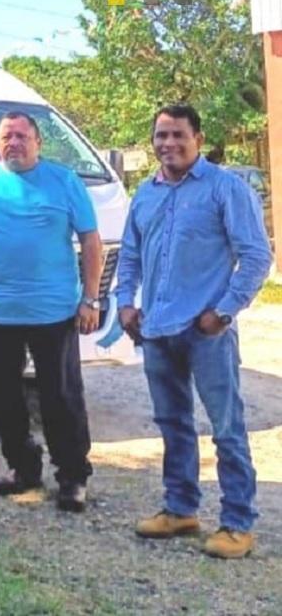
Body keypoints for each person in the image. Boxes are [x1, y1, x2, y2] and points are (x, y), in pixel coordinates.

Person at [115, 104, 272, 559]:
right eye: (161, 135)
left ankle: (238, 523)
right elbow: (129, 255)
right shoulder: (146, 193)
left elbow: (256, 256)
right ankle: (181, 508)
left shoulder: (226, 188)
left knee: (226, 427)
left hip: (207, 333)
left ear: (198, 138)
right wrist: (126, 304)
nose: (169, 143)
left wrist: (223, 312)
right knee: (173, 424)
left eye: (178, 135)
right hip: (157, 328)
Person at [0, 111, 102, 512]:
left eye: (21, 136)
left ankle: (72, 476)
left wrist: (91, 298)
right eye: (6, 136)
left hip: (53, 313)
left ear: (38, 142)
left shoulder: (64, 181)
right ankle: (22, 468)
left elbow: (90, 241)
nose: (13, 142)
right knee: (4, 397)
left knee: (60, 396)